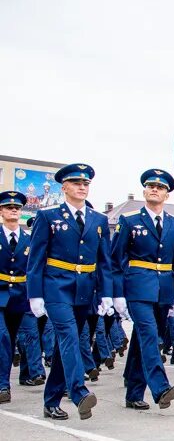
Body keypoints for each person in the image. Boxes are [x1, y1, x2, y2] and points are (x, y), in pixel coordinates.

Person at [27, 164, 113, 420]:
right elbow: (36, 258)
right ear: (64, 187)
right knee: (69, 337)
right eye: (76, 183)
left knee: (66, 344)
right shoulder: (48, 216)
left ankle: (51, 401)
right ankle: (78, 392)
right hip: (56, 286)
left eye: (86, 184)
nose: (82, 187)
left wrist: (106, 293)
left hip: (84, 289)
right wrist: (35, 294)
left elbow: (104, 261)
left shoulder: (98, 219)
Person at [110, 169, 174, 410]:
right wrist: (118, 293)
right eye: (150, 185)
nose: (155, 189)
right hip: (137, 286)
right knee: (149, 334)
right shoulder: (129, 220)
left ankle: (133, 394)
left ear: (167, 194)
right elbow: (116, 259)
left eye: (160, 187)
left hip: (164, 289)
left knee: (144, 340)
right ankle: (160, 387)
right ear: (144, 190)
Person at [0, 192, 32, 404]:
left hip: (20, 296)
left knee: (10, 341)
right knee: (1, 337)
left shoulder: (29, 239)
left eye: (17, 208)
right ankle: (3, 385)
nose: (14, 210)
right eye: (9, 207)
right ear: (1, 211)